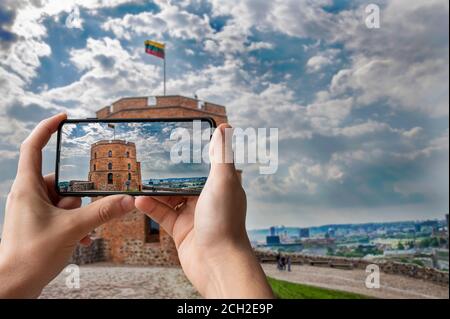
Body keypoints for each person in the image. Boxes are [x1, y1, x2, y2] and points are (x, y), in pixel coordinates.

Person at [0, 113, 274, 299]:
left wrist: (13, 275)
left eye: (121, 157)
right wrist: (224, 255)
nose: (115, 159)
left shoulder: (132, 172)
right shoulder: (114, 169)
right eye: (106, 157)